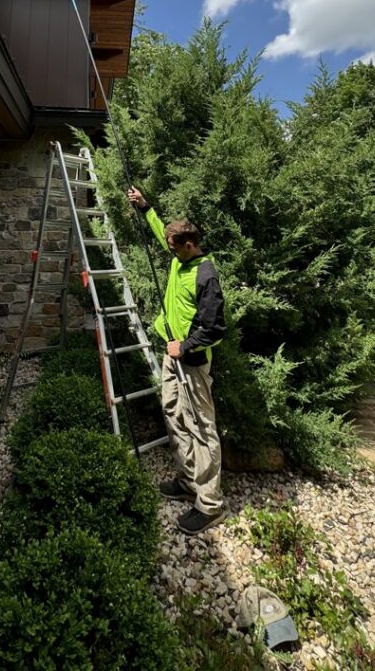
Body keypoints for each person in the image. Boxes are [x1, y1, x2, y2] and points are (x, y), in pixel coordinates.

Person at [127, 186, 226, 534]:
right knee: (173, 414)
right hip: (173, 360)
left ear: (189, 244)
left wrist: (183, 348)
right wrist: (145, 207)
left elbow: (214, 328)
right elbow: (160, 234)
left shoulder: (205, 274)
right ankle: (188, 481)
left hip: (193, 363)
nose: (168, 252)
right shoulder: (178, 259)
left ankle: (210, 503)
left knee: (201, 428)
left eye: (174, 248)